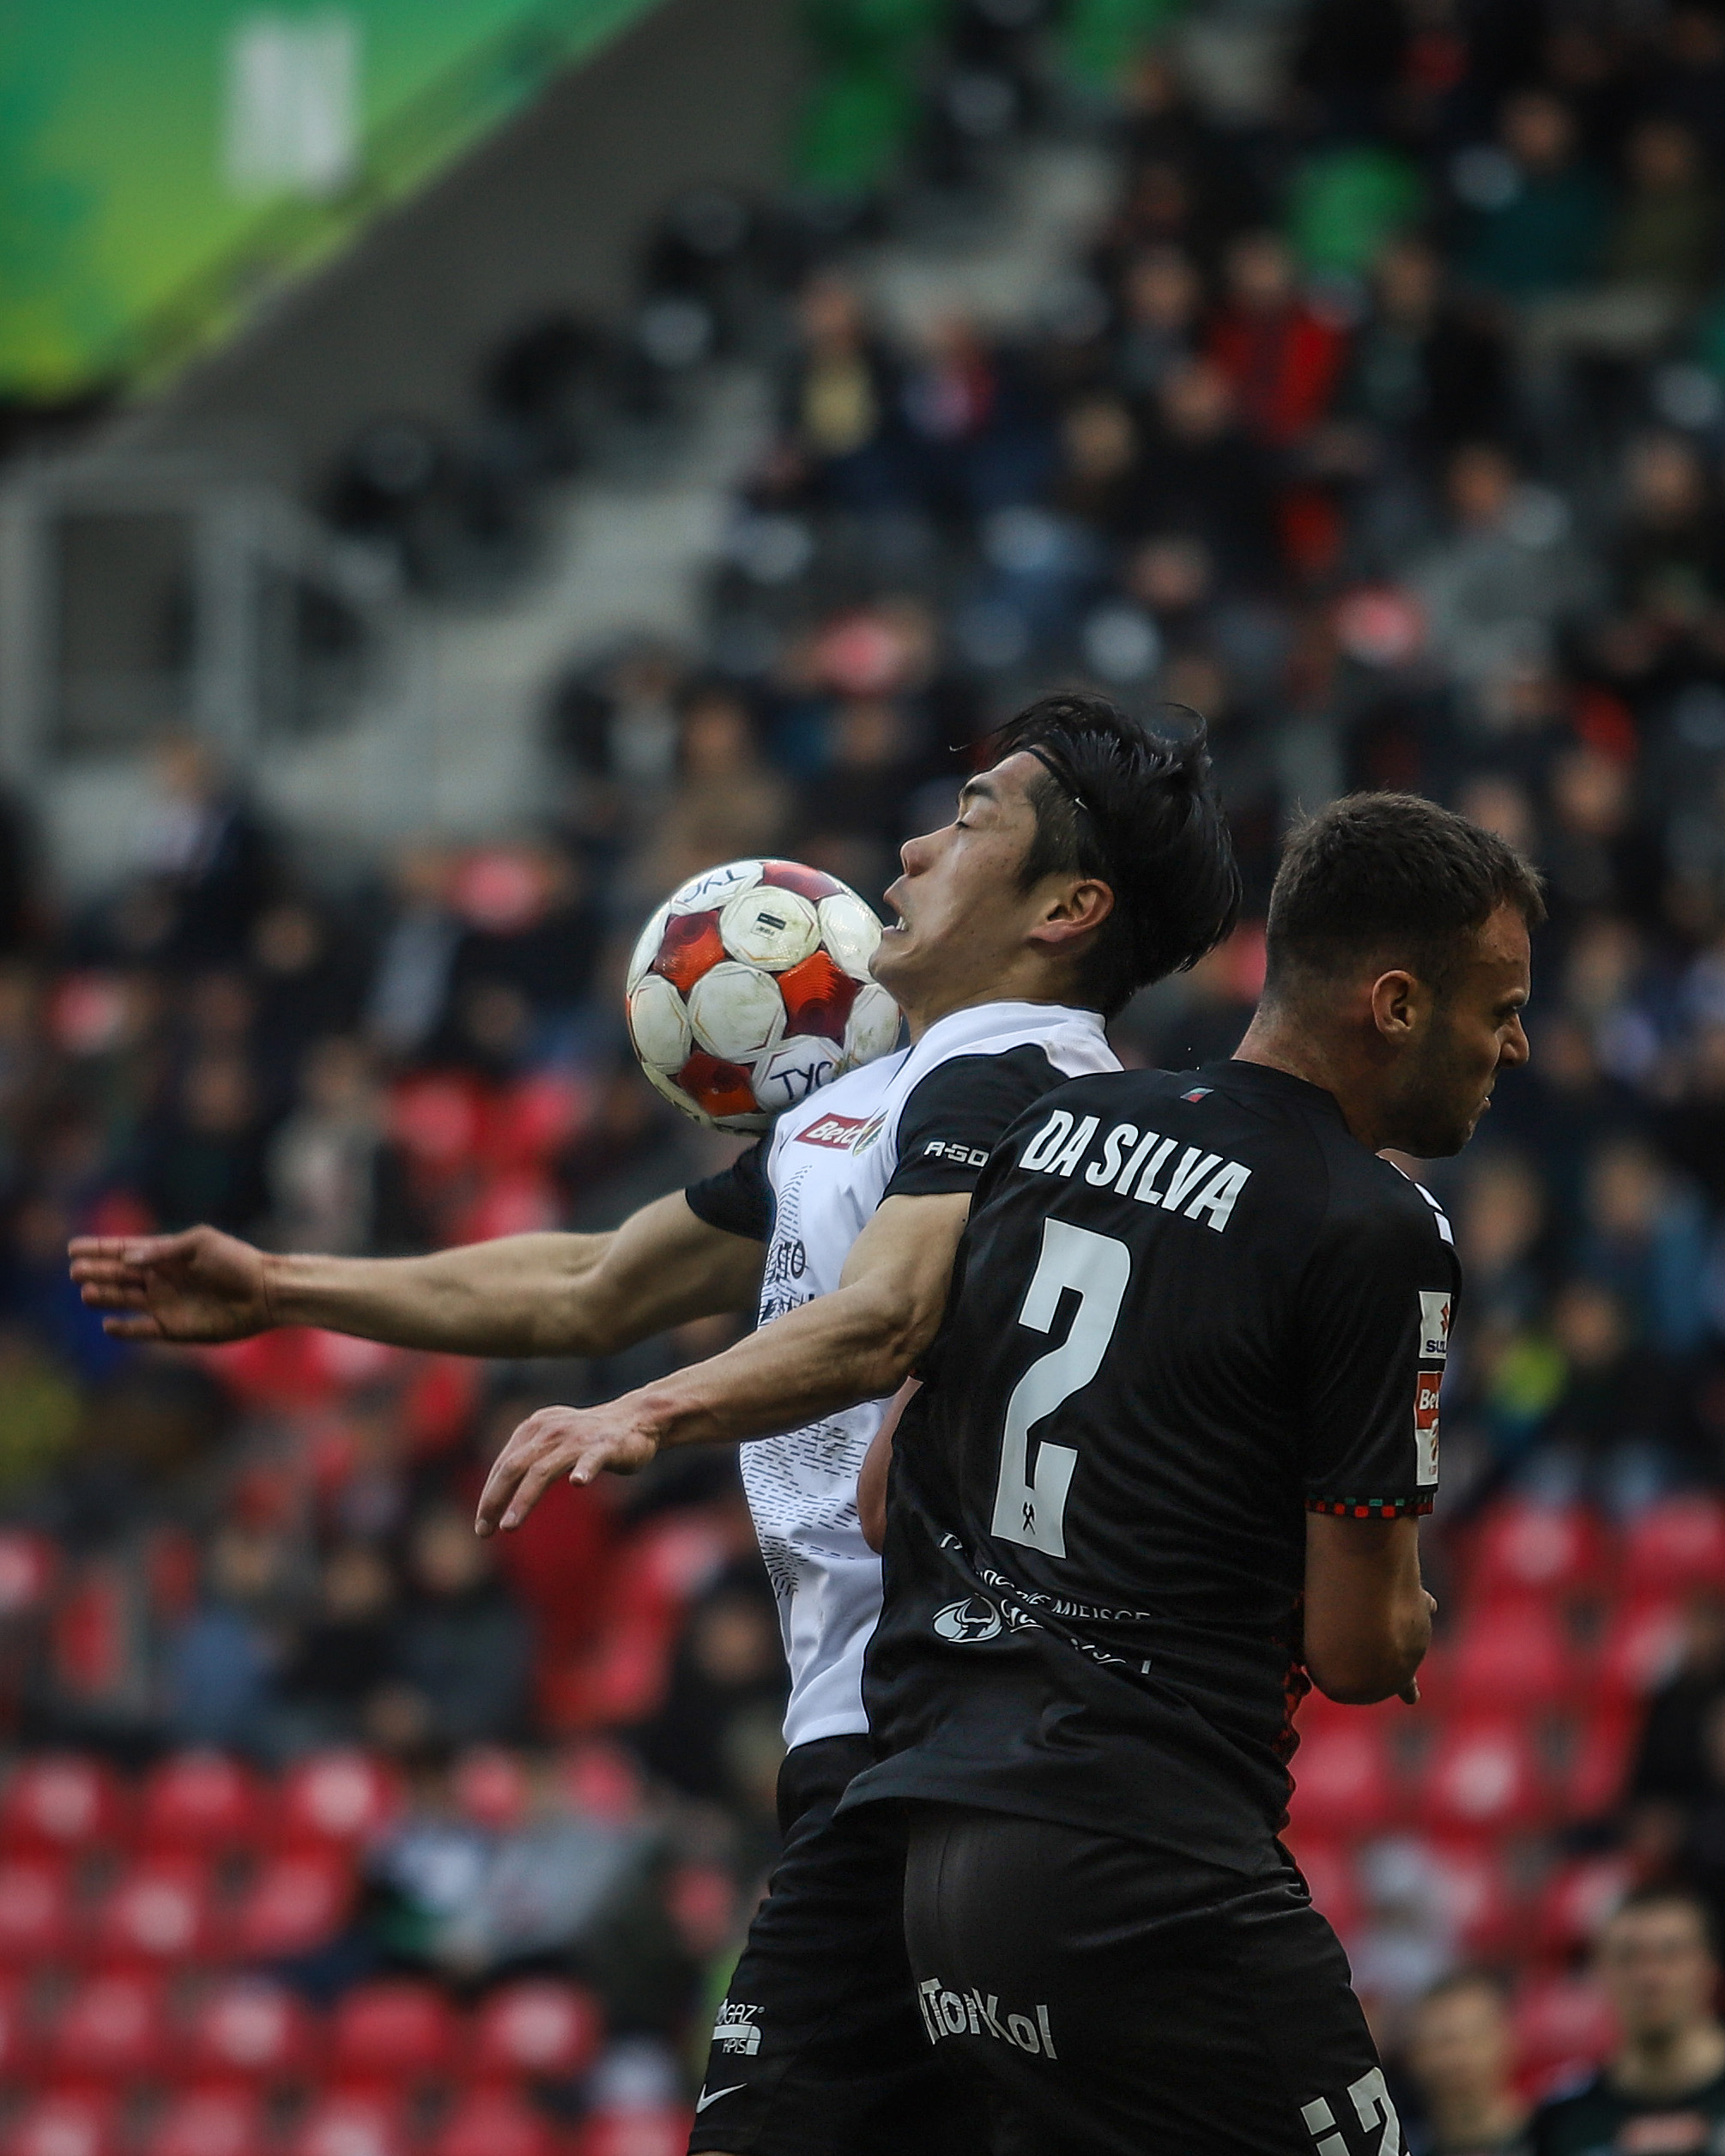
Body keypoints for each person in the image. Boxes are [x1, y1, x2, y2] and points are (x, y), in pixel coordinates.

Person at [68, 691, 1241, 2156]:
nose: (911, 845)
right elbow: (592, 1285)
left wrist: (646, 1412)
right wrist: (283, 1286)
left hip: (952, 1735)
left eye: (972, 819)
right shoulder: (884, 1102)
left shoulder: (1024, 1084)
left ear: (1068, 908)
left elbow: (884, 1317)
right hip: (895, 1735)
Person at [844, 791, 1543, 2154]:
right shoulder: (1372, 1228)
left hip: (935, 1862)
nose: (1514, 1044)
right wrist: (1412, 1618)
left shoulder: (1053, 1130)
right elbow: (1356, 1647)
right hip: (1143, 1863)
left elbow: (883, 1501)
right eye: (1499, 1007)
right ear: (1395, 1005)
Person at [1532, 1888, 1725, 2153]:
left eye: (1670, 1955)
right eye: (1627, 1958)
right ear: (1599, 1972)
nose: (1649, 1977)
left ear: (1710, 1969)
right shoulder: (1560, 2117)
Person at [1405, 1971, 1528, 2156]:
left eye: (1473, 2038)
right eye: (1439, 2042)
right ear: (1412, 2057)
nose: (1456, 2056)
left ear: (1509, 2040)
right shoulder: (1395, 2147)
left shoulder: (1559, 2136)